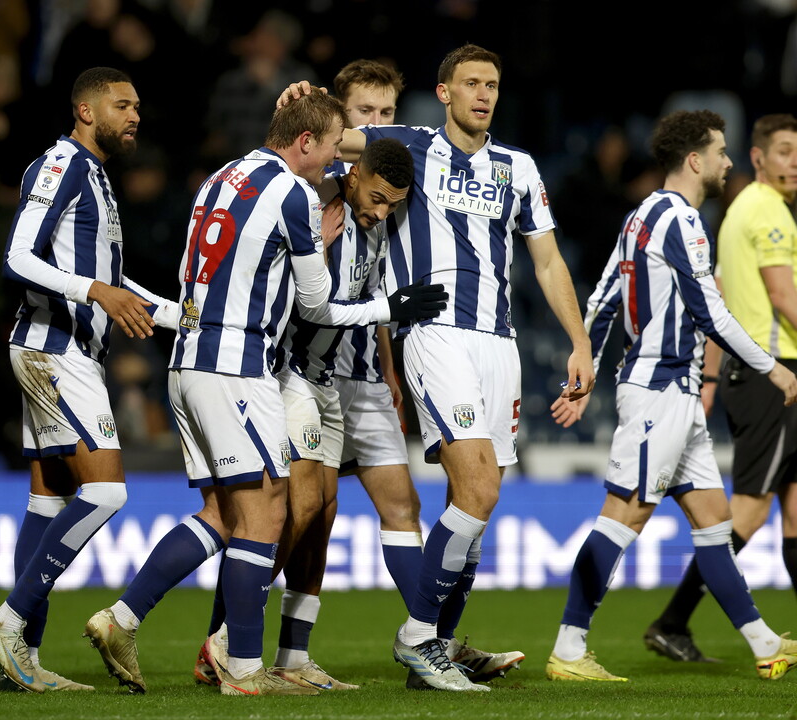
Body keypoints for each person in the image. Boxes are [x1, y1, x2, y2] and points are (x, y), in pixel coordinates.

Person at [83, 91, 446, 696]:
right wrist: (391, 306)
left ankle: (121, 619)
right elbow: (315, 303)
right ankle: (245, 666)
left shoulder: (221, 177)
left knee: (226, 514)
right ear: (306, 143)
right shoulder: (295, 196)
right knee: (270, 508)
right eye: (333, 147)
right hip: (239, 364)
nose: (338, 158)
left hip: (188, 361)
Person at [282, 44, 594, 691]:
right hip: (435, 333)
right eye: (471, 83)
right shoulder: (409, 145)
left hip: (499, 344)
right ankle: (418, 638)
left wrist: (580, 341)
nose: (483, 94)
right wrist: (301, 105)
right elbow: (331, 141)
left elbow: (547, 261)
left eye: (493, 84)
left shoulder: (519, 168)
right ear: (444, 91)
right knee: (475, 489)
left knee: (476, 501)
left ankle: (442, 644)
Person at [546, 109, 797, 683]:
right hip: (660, 391)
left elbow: (605, 297)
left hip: (676, 393)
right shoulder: (680, 220)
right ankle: (567, 648)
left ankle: (763, 642)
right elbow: (710, 311)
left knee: (713, 521)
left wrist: (583, 368)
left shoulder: (641, 218)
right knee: (622, 517)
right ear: (694, 160)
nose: (728, 163)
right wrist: (772, 369)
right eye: (721, 152)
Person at [0, 67, 179, 693]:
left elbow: (114, 283)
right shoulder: (61, 166)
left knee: (48, 500)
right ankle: (8, 621)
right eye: (123, 105)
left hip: (63, 349)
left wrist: (182, 316)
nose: (135, 116)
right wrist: (94, 291)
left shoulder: (97, 179)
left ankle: (23, 658)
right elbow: (17, 257)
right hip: (52, 348)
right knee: (108, 492)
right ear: (86, 111)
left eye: (138, 105)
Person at [643, 113, 797, 662]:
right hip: (772, 374)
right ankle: (672, 621)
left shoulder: (737, 213)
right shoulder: (768, 213)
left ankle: (674, 622)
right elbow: (781, 298)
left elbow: (720, 298)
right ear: (758, 157)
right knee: (750, 514)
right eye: (783, 150)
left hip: (754, 373)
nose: (794, 161)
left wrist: (711, 375)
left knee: (794, 510)